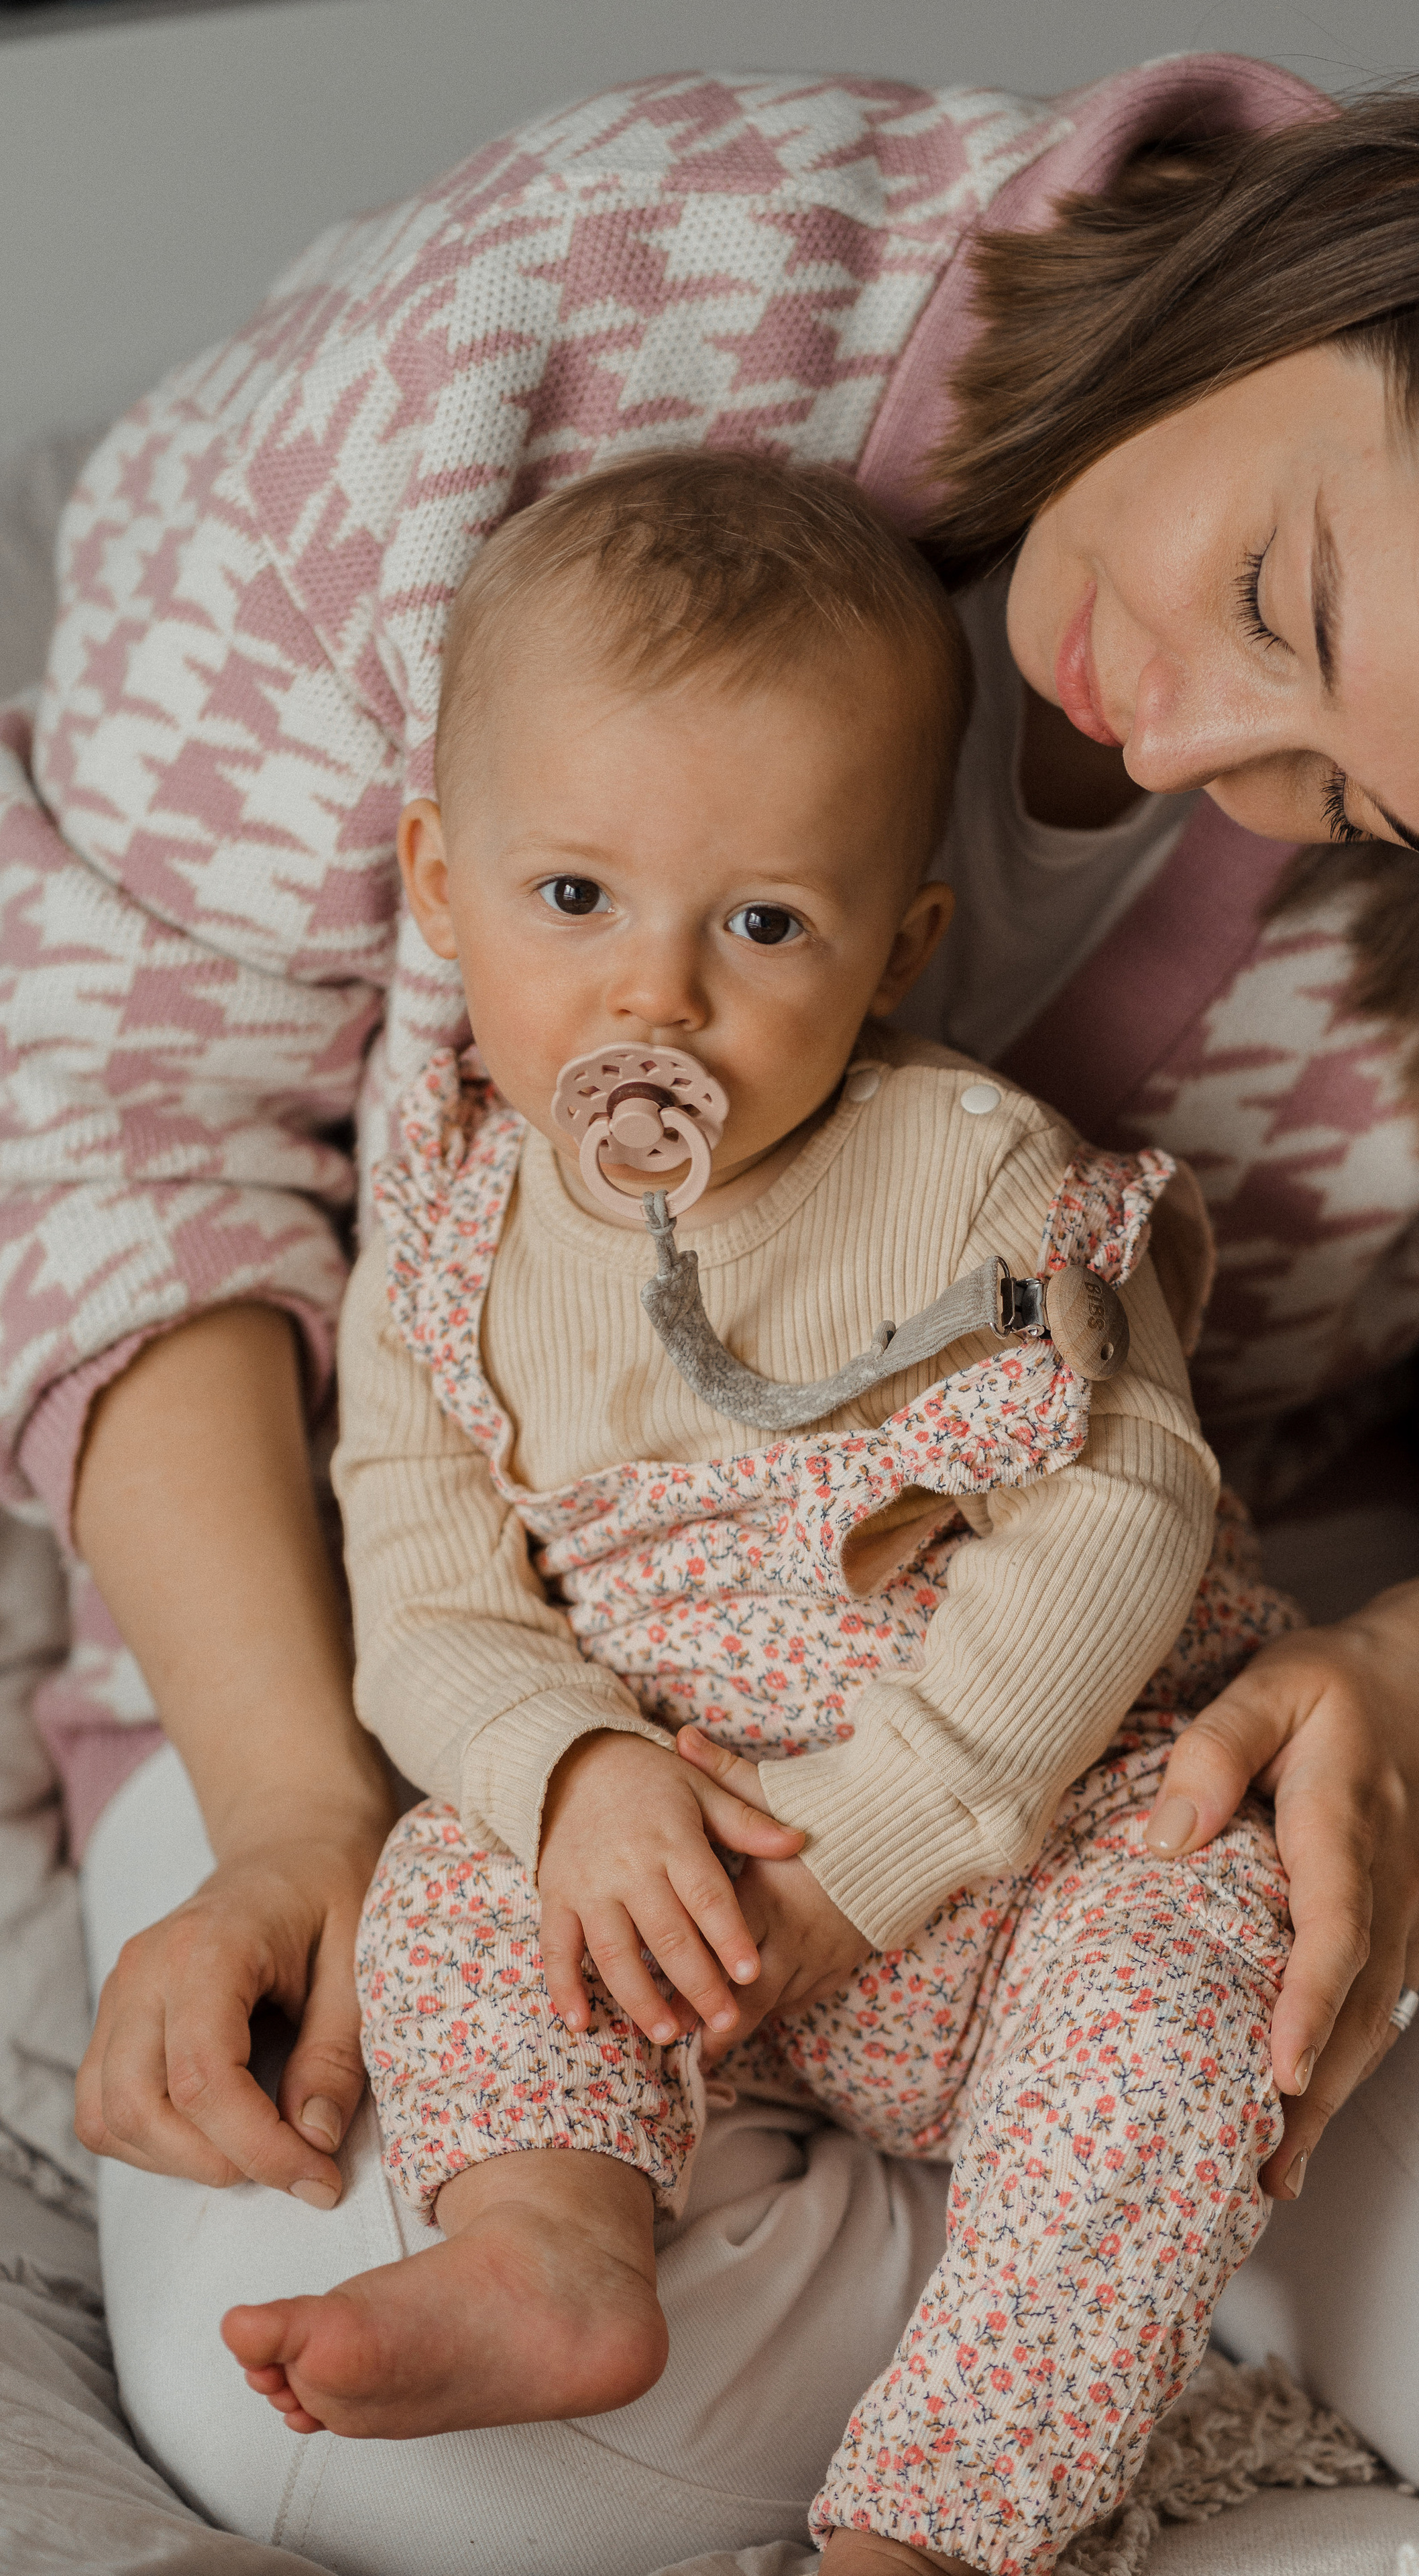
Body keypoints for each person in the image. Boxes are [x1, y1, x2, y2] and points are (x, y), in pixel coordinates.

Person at [8, 49, 1419, 2571]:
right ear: (1350, 242)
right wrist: (302, 1811)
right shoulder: (582, 301)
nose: (1206, 746)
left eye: (1356, 803)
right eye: (1276, 605)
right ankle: (1078, 2282)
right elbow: (113, 1110)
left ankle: (1060, 2290)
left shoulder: (1123, 1152)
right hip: (497, 1716)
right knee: (382, 2463)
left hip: (1159, 1742)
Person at [223, 451, 1298, 2576]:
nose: (659, 999)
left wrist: (891, 1847)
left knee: (1194, 2000)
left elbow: (1119, 1518)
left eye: (763, 925)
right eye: (574, 901)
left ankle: (939, 2521)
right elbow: (426, 1595)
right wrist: (574, 1774)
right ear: (440, 883)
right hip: (668, 1878)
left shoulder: (974, 1180)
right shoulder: (445, 1237)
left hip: (1016, 1849)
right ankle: (553, 2242)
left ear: (895, 949)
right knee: (450, 1874)